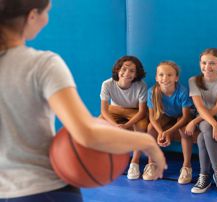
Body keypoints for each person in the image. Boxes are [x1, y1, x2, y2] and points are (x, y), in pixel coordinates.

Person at [0, 0, 166, 201]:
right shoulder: (42, 64)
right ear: (32, 15)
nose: (47, 19)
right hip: (44, 188)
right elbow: (86, 133)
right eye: (47, 12)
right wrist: (147, 142)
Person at [186, 48, 217, 199]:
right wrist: (213, 124)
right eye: (204, 63)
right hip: (204, 117)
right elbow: (200, 107)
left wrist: (196, 121)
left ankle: (206, 176)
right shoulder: (193, 80)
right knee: (206, 131)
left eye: (212, 63)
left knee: (203, 136)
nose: (207, 67)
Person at [143, 61, 194, 184]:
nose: (165, 78)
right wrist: (161, 132)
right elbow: (152, 116)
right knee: (151, 128)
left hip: (182, 116)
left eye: (169, 75)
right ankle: (151, 163)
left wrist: (169, 132)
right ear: (156, 77)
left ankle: (187, 166)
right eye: (161, 75)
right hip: (166, 115)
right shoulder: (152, 92)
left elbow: (186, 117)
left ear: (176, 78)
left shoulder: (182, 91)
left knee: (184, 131)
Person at [99, 55, 148, 180]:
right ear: (117, 70)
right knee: (99, 125)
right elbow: (104, 111)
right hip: (114, 109)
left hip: (134, 110)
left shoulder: (141, 85)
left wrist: (126, 125)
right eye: (124, 69)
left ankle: (135, 162)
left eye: (132, 71)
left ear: (137, 74)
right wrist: (115, 126)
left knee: (142, 127)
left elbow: (142, 112)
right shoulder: (107, 84)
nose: (127, 73)